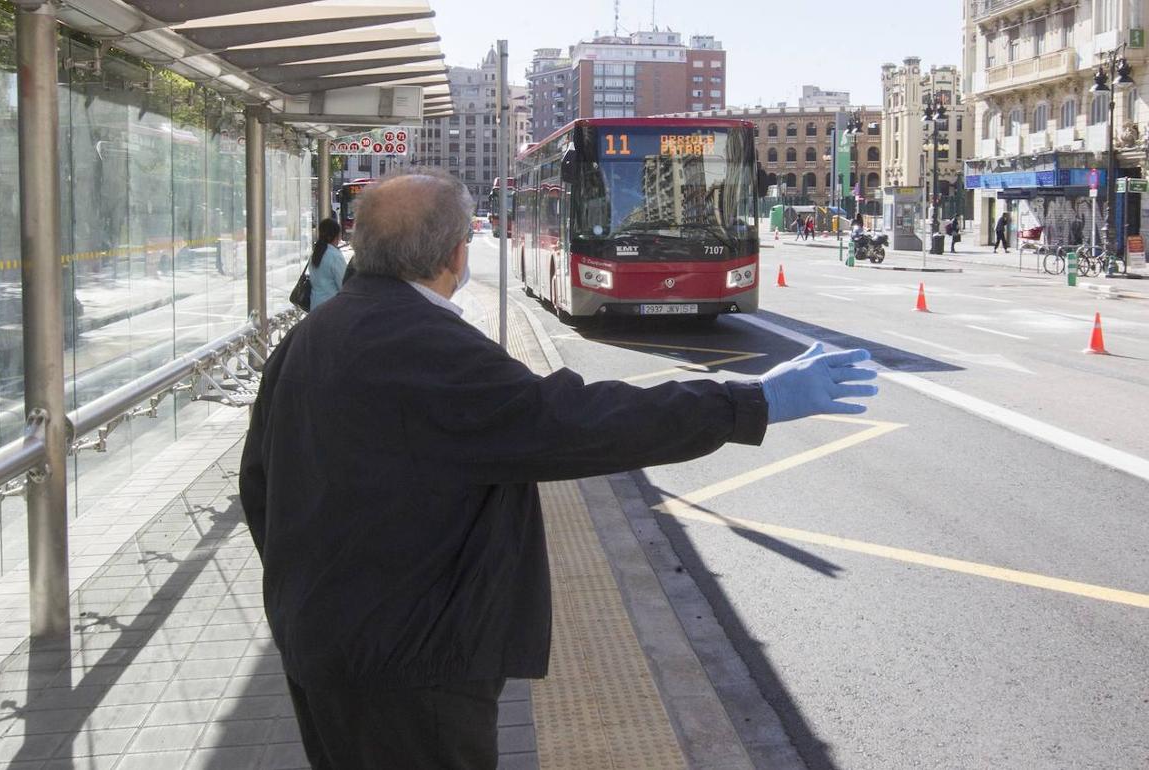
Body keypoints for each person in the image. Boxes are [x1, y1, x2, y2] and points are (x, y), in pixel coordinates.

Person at [239, 172, 878, 769]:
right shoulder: (425, 347)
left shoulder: (311, 335)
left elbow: (258, 485)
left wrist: (313, 593)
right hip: (410, 667)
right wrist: (752, 400)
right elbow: (579, 422)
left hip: (320, 641)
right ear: (456, 256)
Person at [307, 218, 346, 311]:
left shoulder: (315, 253)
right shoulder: (335, 256)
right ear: (335, 236)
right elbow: (343, 284)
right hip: (331, 307)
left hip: (315, 305)